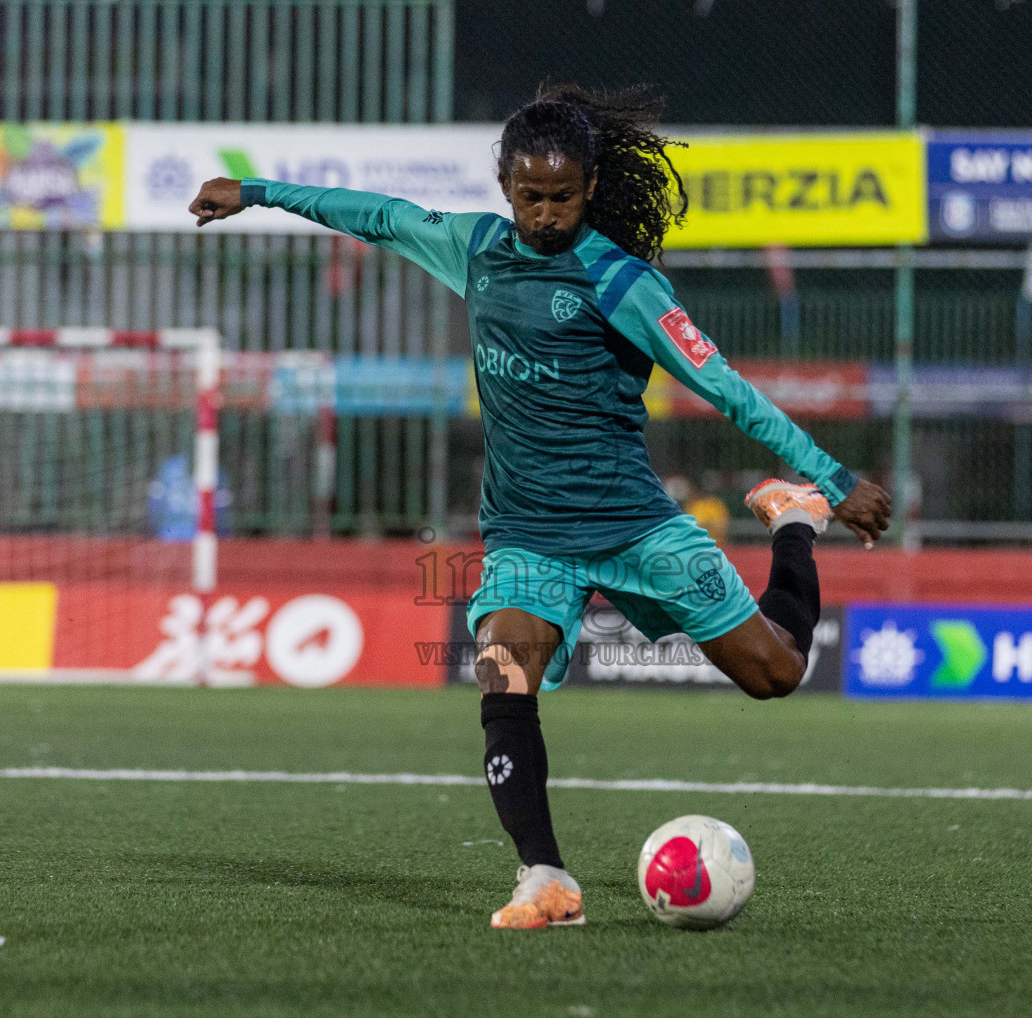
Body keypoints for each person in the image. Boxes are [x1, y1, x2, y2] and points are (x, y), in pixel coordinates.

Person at [188, 84, 893, 930]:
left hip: (634, 524)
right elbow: (374, 213)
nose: (547, 213)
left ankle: (791, 521)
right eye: (531, 196)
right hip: (526, 535)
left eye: (563, 196)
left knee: (776, 673)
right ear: (505, 185)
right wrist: (258, 192)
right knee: (502, 666)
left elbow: (727, 390)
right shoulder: (475, 249)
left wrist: (833, 476)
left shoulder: (622, 282)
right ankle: (544, 878)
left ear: (591, 185)